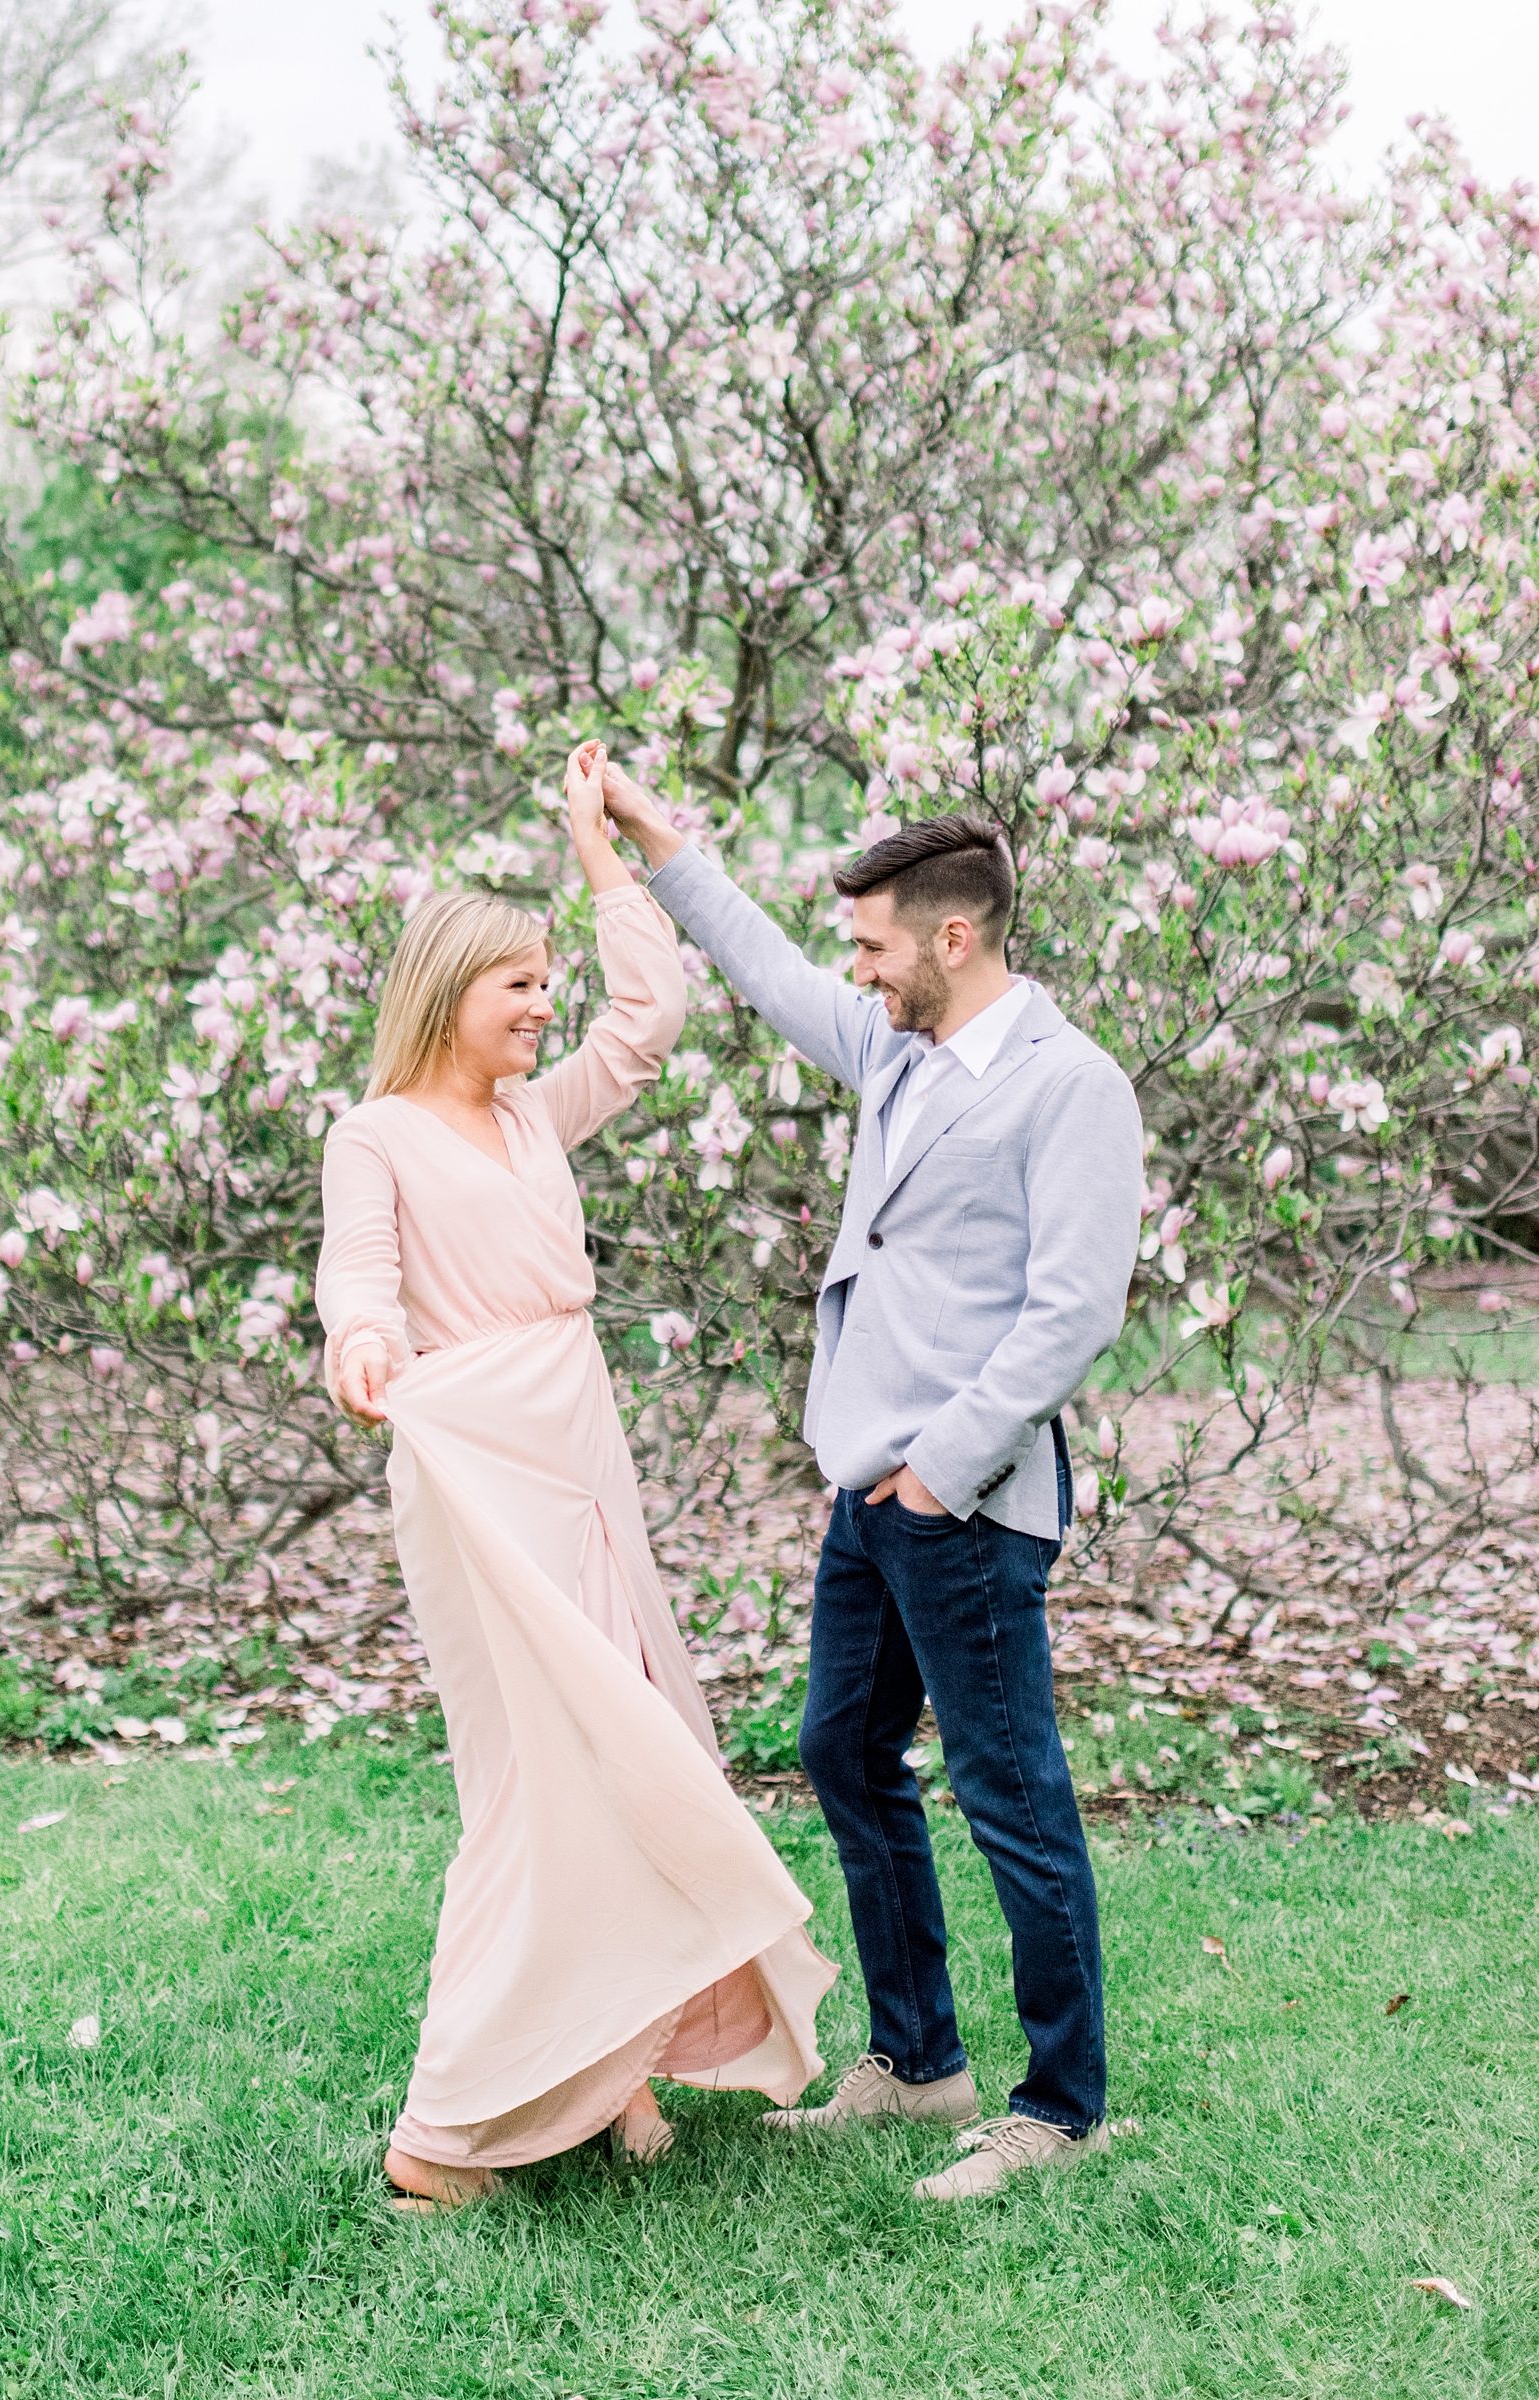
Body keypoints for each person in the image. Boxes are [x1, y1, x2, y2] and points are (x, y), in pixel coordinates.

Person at [599, 765, 1143, 2203]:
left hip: (964, 1500)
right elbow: (770, 969)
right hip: (869, 1491)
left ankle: (1061, 2105)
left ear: (952, 939)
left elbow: (1073, 1310)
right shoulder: (897, 1051)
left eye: (875, 945)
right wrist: (657, 843)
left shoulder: (1067, 1085)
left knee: (1010, 1792)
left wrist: (941, 1470)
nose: (857, 968)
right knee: (841, 1749)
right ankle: (916, 2064)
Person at [315, 740, 835, 2209]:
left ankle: (612, 2071)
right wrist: (359, 1341)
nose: (546, 1010)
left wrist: (603, 853)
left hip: (578, 1456)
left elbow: (651, 1009)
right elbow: (357, 1274)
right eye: (518, 989)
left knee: (637, 1745)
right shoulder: (378, 1137)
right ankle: (447, 2133)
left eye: (549, 984)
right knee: (537, 1783)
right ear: (446, 997)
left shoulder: (537, 1116)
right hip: (479, 1469)